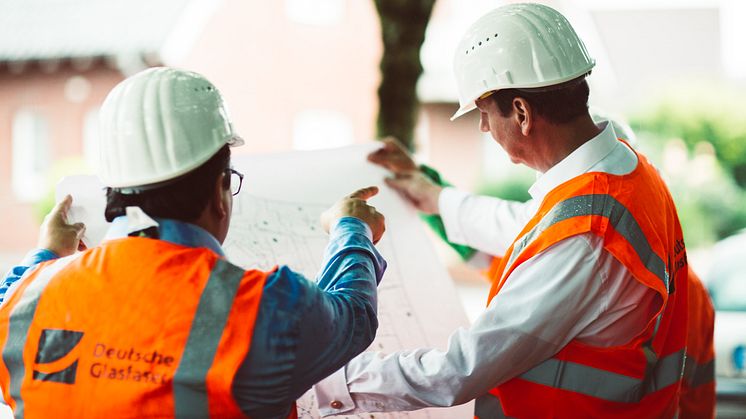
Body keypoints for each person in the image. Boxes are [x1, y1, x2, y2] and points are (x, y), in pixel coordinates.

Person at [313, 3, 707, 418]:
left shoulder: (587, 233)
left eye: (483, 113)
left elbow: (461, 369)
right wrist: (434, 196)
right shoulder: (624, 172)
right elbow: (523, 226)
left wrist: (327, 380)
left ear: (521, 111)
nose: (483, 128)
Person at [0, 67, 387, 418]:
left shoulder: (22, 300)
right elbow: (354, 316)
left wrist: (47, 255)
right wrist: (351, 227)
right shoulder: (267, 308)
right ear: (220, 193)